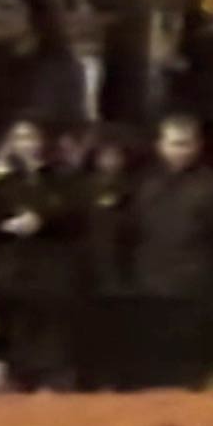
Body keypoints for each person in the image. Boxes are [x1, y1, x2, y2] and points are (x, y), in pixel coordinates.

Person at [131, 114, 213, 390]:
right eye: (174, 144)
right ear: (160, 145)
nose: (180, 151)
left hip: (196, 282)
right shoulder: (144, 185)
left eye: (186, 144)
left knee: (192, 358)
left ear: (198, 146)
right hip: (150, 282)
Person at [0, 118, 84, 393]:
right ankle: (18, 377)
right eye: (21, 137)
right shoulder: (1, 182)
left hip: (51, 263)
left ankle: (53, 379)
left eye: (33, 137)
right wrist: (7, 224)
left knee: (52, 325)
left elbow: (76, 215)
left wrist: (43, 219)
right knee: (17, 324)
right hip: (13, 264)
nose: (28, 145)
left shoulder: (61, 178)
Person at [0, 0, 88, 168]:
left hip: (45, 162)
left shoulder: (60, 63)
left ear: (32, 16)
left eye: (7, 9)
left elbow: (73, 117)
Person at [76, 124, 144, 392]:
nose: (110, 162)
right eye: (104, 155)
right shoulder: (82, 188)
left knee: (124, 327)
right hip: (89, 269)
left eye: (116, 155)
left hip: (126, 269)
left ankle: (123, 376)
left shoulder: (137, 188)